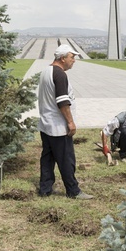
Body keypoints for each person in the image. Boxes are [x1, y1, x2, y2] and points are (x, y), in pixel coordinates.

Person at [38, 44, 93, 199]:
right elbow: (62, 101)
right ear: (62, 58)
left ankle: (45, 189)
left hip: (46, 124)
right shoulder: (60, 75)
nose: (73, 60)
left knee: (47, 158)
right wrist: (70, 122)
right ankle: (73, 191)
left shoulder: (46, 71)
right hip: (58, 126)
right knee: (66, 159)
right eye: (72, 57)